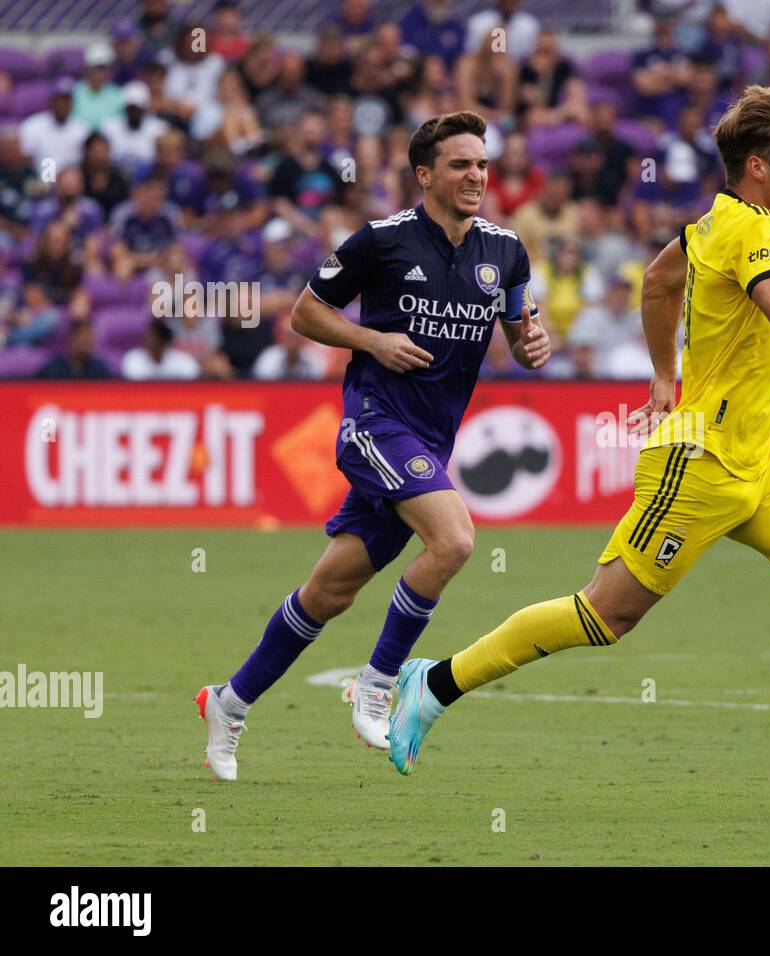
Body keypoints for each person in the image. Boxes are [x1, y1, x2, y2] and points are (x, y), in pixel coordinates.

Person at [385, 86, 770, 798]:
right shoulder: (754, 230)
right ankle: (435, 684)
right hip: (699, 464)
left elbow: (661, 282)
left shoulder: (712, 225)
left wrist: (667, 374)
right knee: (604, 615)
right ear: (757, 167)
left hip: (753, 464)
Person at [194, 112, 553, 781]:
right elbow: (305, 312)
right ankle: (379, 683)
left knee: (328, 593)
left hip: (430, 440)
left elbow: (523, 331)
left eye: (482, 164)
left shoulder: (505, 251)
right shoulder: (381, 242)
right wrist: (373, 340)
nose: (476, 175)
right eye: (460, 164)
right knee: (455, 541)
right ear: (425, 174)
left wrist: (535, 345)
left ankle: (228, 703)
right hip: (374, 423)